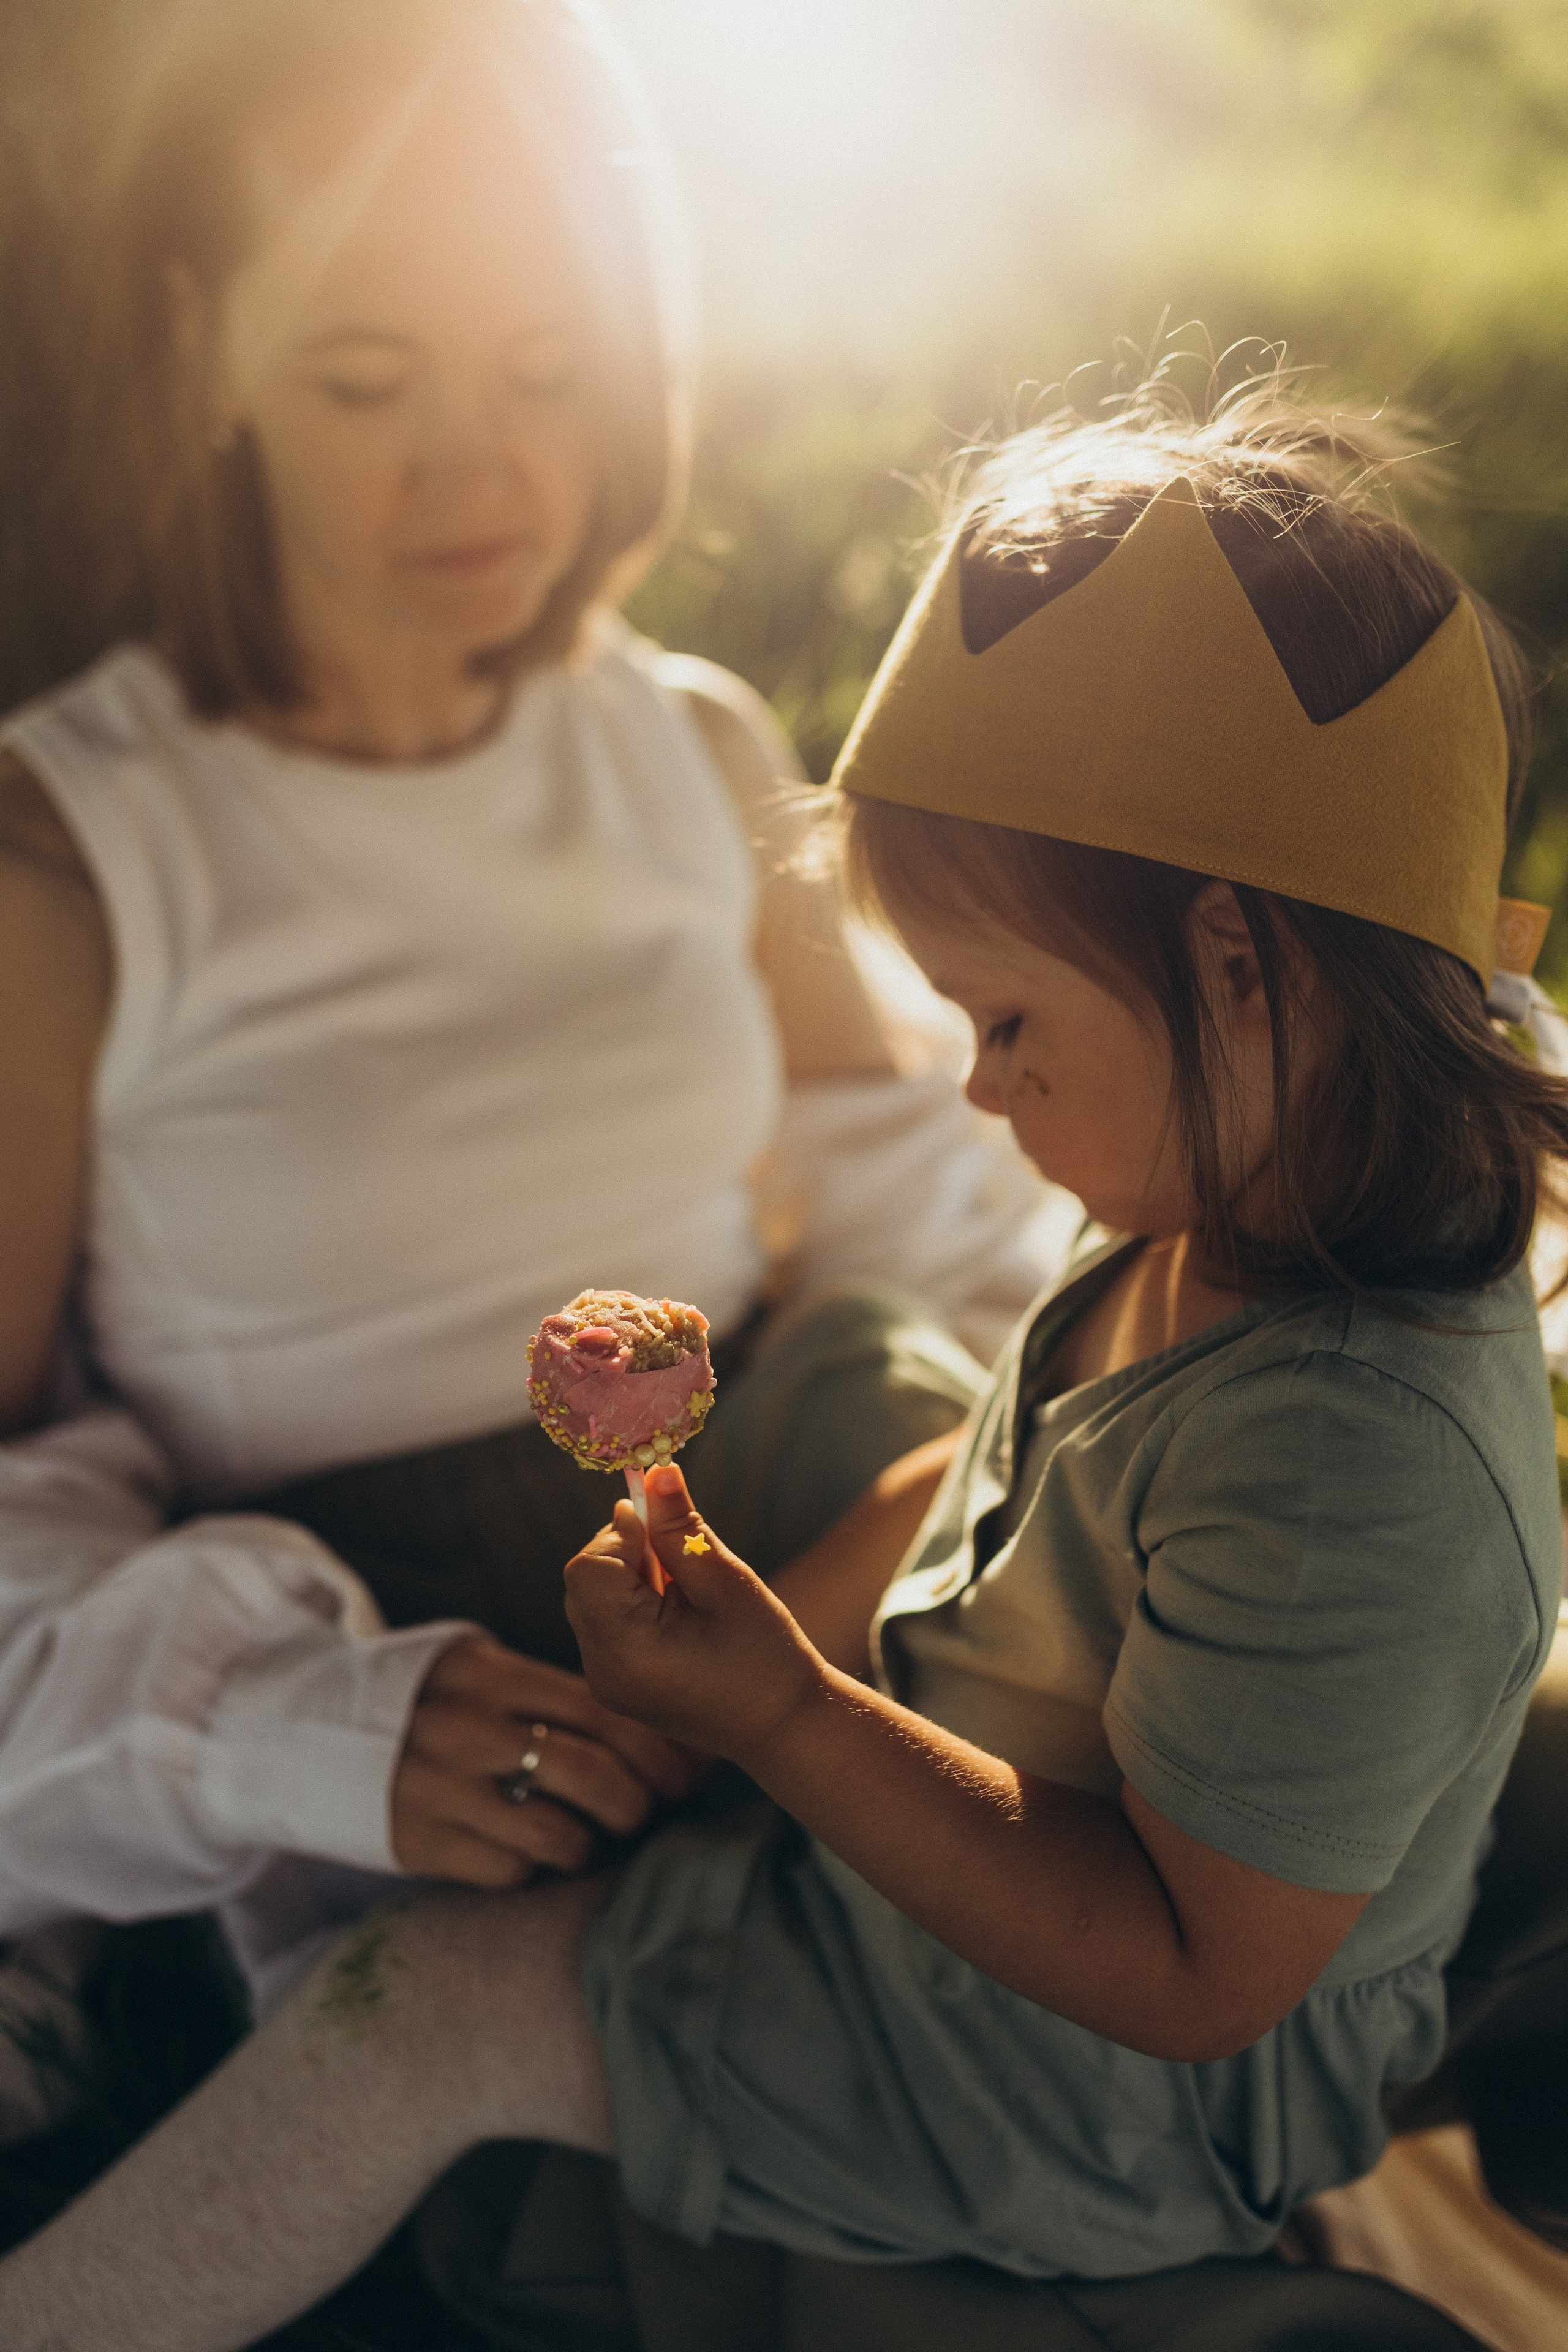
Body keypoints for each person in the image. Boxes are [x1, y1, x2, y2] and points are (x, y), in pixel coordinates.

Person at [2, 387, 1559, 2352]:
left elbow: (1186, 1972)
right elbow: (980, 1469)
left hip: (1071, 2091)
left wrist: (804, 1725)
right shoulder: (1243, 1177)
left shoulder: (1360, 1467)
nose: (976, 1086)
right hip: (989, 1824)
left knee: (419, 2015)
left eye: (1004, 1022)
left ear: (1240, 967)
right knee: (856, 1370)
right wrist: (719, 1705)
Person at [0, 0, 1057, 2060]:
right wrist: (293, 1725)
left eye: (548, 369)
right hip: (393, 1695)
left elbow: (935, 1231)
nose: (476, 468)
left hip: (813, 1564)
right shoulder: (72, 854)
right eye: (366, 375)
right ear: (212, 342)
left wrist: (908, 1525)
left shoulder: (687, 750)